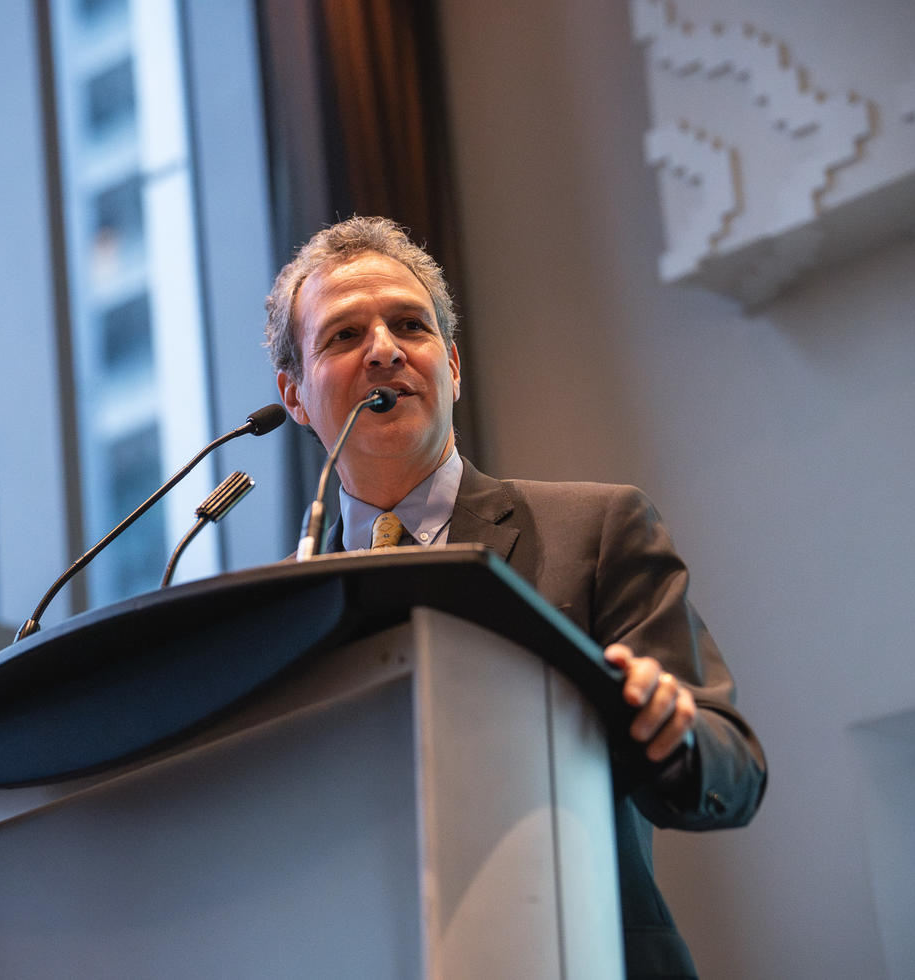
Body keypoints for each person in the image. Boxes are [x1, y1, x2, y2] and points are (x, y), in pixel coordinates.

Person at [265, 215, 767, 979]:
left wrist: (675, 731)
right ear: (294, 395)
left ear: (453, 366)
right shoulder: (279, 615)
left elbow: (735, 763)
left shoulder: (595, 529)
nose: (386, 351)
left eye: (411, 325)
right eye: (342, 336)